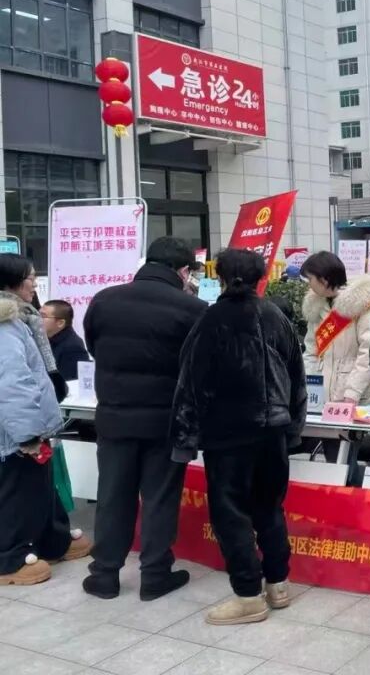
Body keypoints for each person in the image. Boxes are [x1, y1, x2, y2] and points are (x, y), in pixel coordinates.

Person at [172, 249, 307, 625]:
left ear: (220, 276)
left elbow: (190, 383)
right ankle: (278, 584)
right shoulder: (276, 316)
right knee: (270, 507)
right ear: (261, 277)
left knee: (231, 514)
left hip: (228, 434)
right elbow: (296, 378)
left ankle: (248, 594)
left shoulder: (211, 320)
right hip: (273, 432)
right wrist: (292, 428)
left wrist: (184, 438)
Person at [81, 237, 207, 601]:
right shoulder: (193, 308)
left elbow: (94, 347)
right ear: (183, 271)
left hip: (114, 417)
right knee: (160, 497)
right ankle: (154, 574)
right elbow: (199, 364)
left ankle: (104, 574)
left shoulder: (104, 300)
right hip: (165, 421)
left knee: (112, 496)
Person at [0, 297, 92, 587]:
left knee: (39, 487)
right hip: (13, 431)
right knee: (15, 491)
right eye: (28, 278)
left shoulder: (21, 319)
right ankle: (9, 559)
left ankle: (51, 540)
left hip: (28, 424)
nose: (32, 284)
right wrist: (27, 433)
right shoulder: (5, 326)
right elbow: (12, 384)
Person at [300, 252, 370, 462]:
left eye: (310, 278)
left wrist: (352, 393)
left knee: (347, 457)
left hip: (352, 394)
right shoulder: (317, 307)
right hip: (323, 395)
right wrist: (308, 387)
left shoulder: (361, 306)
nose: (308, 284)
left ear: (324, 279)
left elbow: (367, 354)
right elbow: (311, 351)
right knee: (332, 455)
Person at [0, 254, 67, 402]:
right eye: (31, 278)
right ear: (12, 280)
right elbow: (14, 386)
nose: (35, 284)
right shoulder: (7, 324)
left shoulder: (25, 317)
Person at [41, 299, 90, 382]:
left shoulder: (73, 348)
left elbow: (68, 382)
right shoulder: (45, 338)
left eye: (43, 316)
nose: (36, 319)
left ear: (60, 323)